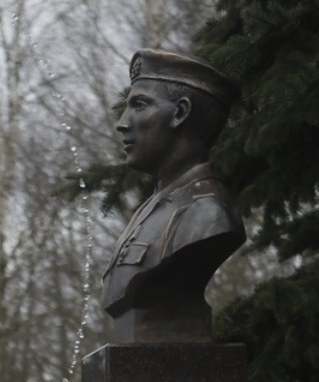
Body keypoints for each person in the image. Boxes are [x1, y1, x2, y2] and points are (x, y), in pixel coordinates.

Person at [102, 49, 244, 334]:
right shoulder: (153, 208)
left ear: (179, 113)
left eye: (139, 105)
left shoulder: (207, 214)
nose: (122, 123)